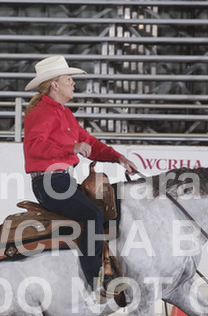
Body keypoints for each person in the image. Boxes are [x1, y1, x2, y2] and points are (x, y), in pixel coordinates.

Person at [23, 55, 137, 300]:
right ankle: (95, 280)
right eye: (69, 79)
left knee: (109, 207)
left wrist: (118, 158)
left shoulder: (64, 114)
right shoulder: (41, 113)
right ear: (55, 85)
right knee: (92, 214)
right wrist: (71, 148)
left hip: (61, 181)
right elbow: (34, 147)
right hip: (49, 182)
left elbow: (90, 143)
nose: (73, 83)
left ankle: (106, 267)